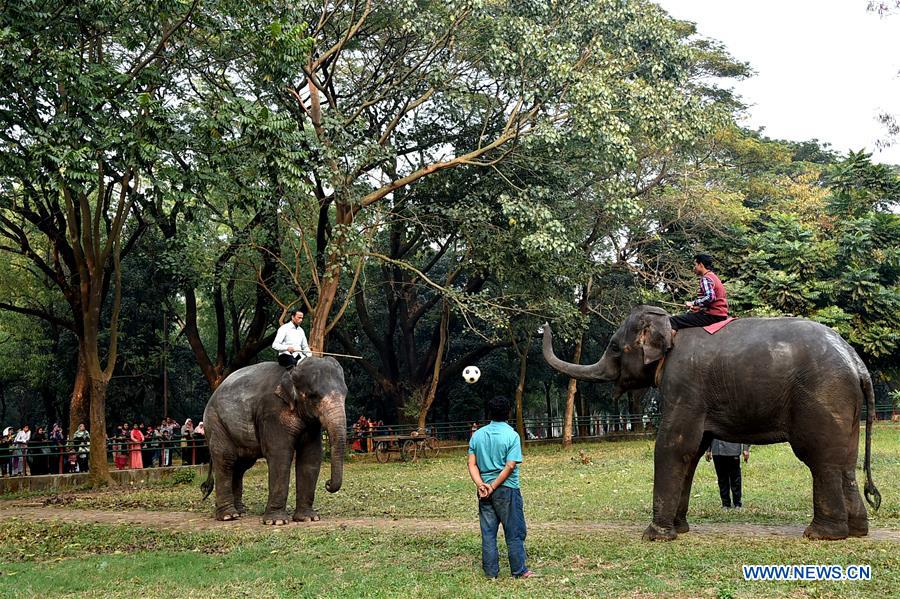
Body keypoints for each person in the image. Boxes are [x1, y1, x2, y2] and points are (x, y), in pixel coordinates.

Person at [467, 396, 534, 579]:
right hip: (507, 489)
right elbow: (510, 465)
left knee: (488, 533)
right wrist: (493, 485)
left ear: (490, 413)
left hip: (484, 492)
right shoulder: (512, 436)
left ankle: (491, 573)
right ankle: (519, 570)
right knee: (514, 531)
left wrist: (481, 485)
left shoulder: (477, 435)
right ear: (508, 413)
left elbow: (472, 464)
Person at [669, 254, 729, 330]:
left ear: (701, 265)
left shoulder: (706, 278)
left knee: (673, 320)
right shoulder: (713, 276)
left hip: (713, 316)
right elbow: (714, 300)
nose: (694, 268)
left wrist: (693, 303)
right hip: (720, 314)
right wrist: (699, 307)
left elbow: (710, 297)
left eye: (695, 265)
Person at [705, 439, 750, 509]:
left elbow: (744, 433)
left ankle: (737, 503)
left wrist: (745, 448)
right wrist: (708, 449)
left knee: (735, 478)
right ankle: (725, 503)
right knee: (721, 478)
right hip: (717, 450)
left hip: (733, 449)